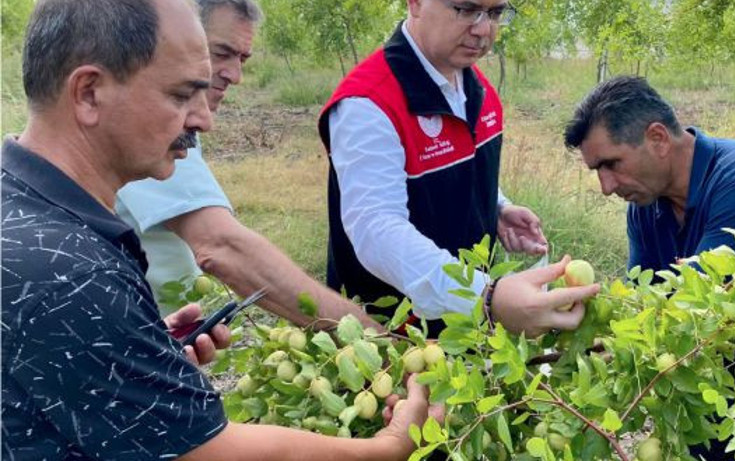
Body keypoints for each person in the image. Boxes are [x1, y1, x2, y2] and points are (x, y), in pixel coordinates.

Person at [1, 0, 436, 459]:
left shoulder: (23, 206)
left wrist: (133, 353)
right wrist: (388, 448)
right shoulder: (76, 275)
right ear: (89, 92)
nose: (203, 118)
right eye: (180, 95)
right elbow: (209, 453)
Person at [318, 0, 599, 337]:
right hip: (392, 334)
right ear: (416, 3)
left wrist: (496, 206)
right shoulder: (369, 103)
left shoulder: (476, 88)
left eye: (495, 13)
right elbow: (376, 229)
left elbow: (453, 168)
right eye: (466, 9)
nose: (483, 29)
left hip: (467, 326)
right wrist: (485, 295)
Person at [115, 0, 379, 330]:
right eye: (221, 53)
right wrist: (373, 340)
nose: (235, 75)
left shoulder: (176, 126)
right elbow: (223, 247)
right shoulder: (149, 127)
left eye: (242, 58)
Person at [563, 76, 735, 273]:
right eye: (598, 170)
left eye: (612, 164)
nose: (606, 187)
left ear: (658, 138)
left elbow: (695, 308)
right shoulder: (645, 204)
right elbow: (644, 303)